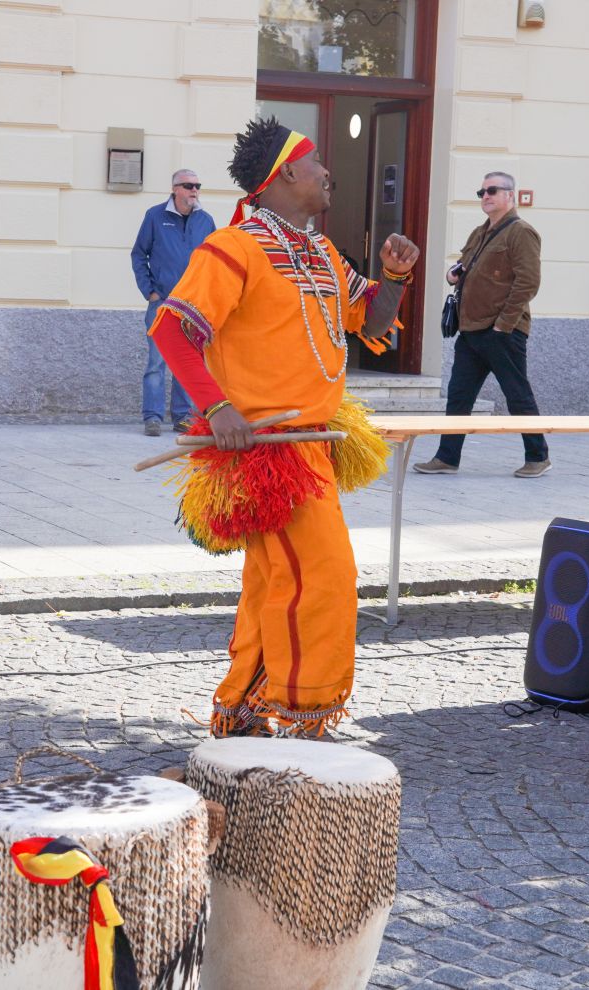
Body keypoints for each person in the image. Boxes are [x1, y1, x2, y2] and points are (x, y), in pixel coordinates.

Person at [147, 117, 418, 735]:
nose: (327, 172)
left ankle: (244, 713)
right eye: (317, 161)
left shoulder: (321, 251)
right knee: (324, 577)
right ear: (288, 172)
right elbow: (172, 330)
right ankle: (304, 717)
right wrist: (219, 409)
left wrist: (396, 278)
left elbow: (371, 323)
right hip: (269, 451)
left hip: (312, 444)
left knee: (275, 581)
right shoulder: (233, 248)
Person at [413, 171, 548, 478]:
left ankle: (538, 457)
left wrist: (504, 324)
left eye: (492, 190)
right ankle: (447, 458)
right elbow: (466, 265)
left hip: (502, 332)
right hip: (471, 329)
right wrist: (453, 274)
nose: (485, 196)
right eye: (482, 192)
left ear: (510, 196)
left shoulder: (522, 232)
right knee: (458, 395)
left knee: (517, 395)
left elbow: (528, 282)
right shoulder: (480, 232)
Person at [130, 169, 216, 435]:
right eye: (189, 186)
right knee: (156, 363)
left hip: (192, 306)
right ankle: (153, 418)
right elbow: (138, 254)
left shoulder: (205, 220)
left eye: (197, 185)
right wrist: (150, 292)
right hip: (163, 303)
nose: (194, 190)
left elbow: (213, 261)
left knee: (188, 362)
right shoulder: (155, 216)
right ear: (175, 189)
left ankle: (182, 416)